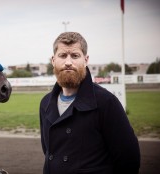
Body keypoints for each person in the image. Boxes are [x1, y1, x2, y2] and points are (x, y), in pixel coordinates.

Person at [39, 32, 140, 174]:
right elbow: (49, 152)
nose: (68, 62)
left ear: (86, 60)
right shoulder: (45, 103)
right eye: (62, 55)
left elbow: (129, 159)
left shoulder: (106, 102)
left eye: (75, 56)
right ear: (53, 60)